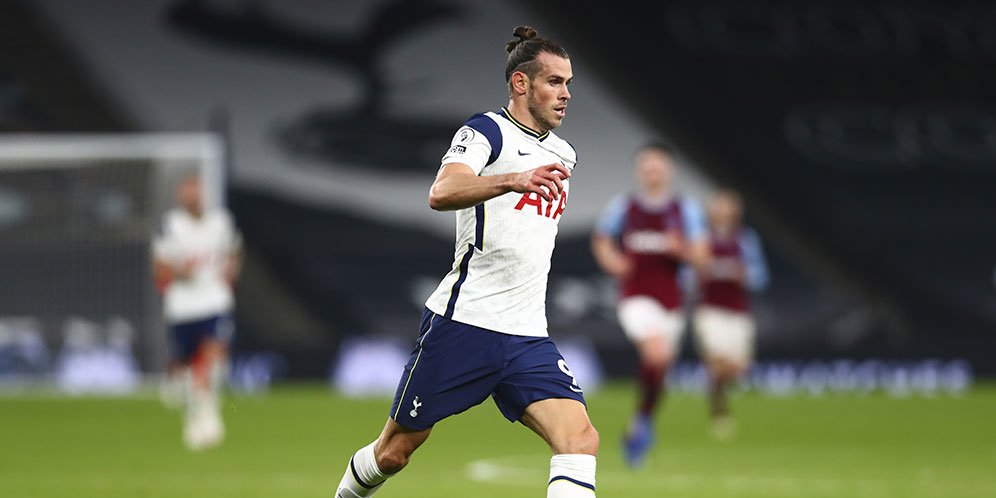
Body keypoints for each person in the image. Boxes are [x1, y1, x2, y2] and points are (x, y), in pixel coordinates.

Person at [334, 26, 599, 498]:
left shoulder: (564, 154)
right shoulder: (485, 132)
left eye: (569, 83)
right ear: (521, 83)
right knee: (394, 452)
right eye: (554, 82)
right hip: (465, 325)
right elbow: (442, 191)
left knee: (580, 440)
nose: (566, 94)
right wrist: (512, 179)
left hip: (526, 335)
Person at [591, 142, 707, 468]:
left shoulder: (686, 210)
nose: (652, 171)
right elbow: (601, 239)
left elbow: (702, 256)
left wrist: (681, 250)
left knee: (661, 367)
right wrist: (613, 261)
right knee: (656, 353)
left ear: (669, 170)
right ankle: (642, 424)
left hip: (672, 300)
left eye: (657, 166)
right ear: (639, 171)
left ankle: (640, 422)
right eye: (647, 166)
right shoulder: (624, 207)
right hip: (636, 296)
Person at [153, 172, 242, 451]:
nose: (193, 198)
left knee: (214, 355)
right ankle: (193, 415)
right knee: (186, 366)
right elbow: (160, 268)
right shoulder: (170, 226)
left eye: (197, 192)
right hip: (183, 306)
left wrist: (230, 272)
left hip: (214, 301)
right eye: (188, 193)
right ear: (181, 197)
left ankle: (210, 414)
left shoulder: (221, 222)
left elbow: (234, 250)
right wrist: (180, 272)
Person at [691, 188, 768, 440]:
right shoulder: (702, 240)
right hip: (710, 310)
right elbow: (686, 277)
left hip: (738, 312)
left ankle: (718, 390)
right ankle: (719, 411)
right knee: (717, 362)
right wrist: (698, 271)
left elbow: (760, 277)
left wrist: (743, 275)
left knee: (738, 368)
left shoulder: (745, 240)